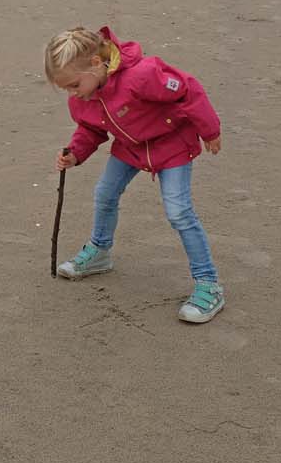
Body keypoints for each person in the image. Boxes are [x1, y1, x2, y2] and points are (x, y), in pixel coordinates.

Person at [44, 26, 225, 323]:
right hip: (130, 146)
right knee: (104, 193)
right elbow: (91, 128)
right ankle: (100, 251)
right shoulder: (83, 99)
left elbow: (188, 90)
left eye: (74, 85)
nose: (72, 94)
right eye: (66, 89)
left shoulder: (142, 75)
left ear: (95, 64)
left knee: (179, 212)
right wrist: (75, 154)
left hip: (171, 145)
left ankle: (209, 283)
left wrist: (210, 130)